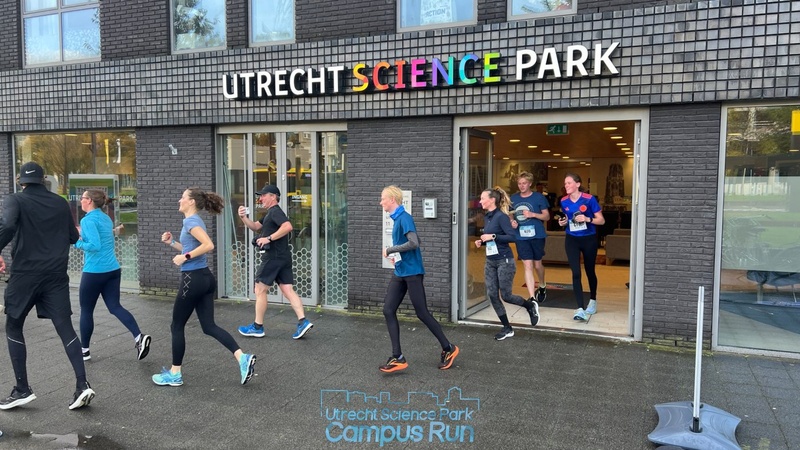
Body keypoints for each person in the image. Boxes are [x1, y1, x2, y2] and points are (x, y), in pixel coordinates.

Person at [0, 162, 96, 410]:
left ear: (21, 181)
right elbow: (73, 238)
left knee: (14, 325)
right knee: (65, 327)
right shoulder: (60, 202)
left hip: (25, 274)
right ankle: (82, 385)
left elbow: (8, 226)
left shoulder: (15, 200)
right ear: (43, 180)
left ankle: (22, 389)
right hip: (55, 275)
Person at [154, 187, 256, 387]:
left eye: (182, 197)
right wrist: (173, 242)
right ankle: (242, 358)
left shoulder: (190, 221)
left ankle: (175, 374)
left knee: (176, 326)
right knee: (209, 326)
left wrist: (185, 257)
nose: (179, 200)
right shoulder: (195, 221)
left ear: (191, 201)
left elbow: (208, 245)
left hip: (193, 279)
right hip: (205, 278)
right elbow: (192, 248)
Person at [378, 186, 459, 373]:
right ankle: (397, 357)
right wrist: (395, 254)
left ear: (391, 199)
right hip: (401, 272)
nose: (380, 202)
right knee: (388, 310)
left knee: (422, 313)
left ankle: (449, 348)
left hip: (413, 273)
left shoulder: (405, 218)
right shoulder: (398, 218)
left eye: (383, 199)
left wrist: (391, 250)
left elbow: (414, 243)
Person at [75, 189, 151, 362]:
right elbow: (102, 238)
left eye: (83, 198)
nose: (80, 200)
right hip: (112, 270)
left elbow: (94, 245)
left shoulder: (87, 220)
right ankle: (139, 337)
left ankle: (85, 351)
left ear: (89, 201)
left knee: (86, 310)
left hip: (94, 271)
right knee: (115, 306)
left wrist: (75, 242)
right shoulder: (105, 217)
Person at [236, 184, 313, 340]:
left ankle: (257, 327)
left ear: (273, 196)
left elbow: (288, 226)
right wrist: (243, 217)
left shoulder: (276, 212)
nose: (261, 198)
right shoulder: (270, 214)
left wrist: (268, 238)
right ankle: (303, 321)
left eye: (263, 195)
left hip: (273, 257)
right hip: (283, 257)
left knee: (260, 289)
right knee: (287, 290)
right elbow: (255, 227)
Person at [474, 186, 539, 341]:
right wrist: (482, 241)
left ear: (492, 200)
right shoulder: (488, 217)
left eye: (483, 198)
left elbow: (512, 237)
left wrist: (493, 236)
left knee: (507, 296)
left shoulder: (502, 217)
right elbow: (491, 238)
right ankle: (507, 327)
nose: (480, 201)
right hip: (491, 261)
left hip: (505, 260)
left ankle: (530, 306)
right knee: (492, 294)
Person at [557, 173, 605, 321]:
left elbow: (601, 220)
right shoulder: (563, 201)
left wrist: (587, 218)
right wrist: (563, 222)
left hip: (589, 239)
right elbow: (567, 217)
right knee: (576, 273)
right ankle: (579, 308)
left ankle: (593, 300)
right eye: (565, 184)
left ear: (578, 184)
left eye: (569, 183)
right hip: (572, 239)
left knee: (590, 271)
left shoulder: (589, 199)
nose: (566, 186)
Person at [510, 172, 550, 305]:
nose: (521, 186)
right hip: (521, 236)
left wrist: (533, 214)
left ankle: (542, 285)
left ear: (530, 184)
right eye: (519, 183)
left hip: (537, 235)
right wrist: (512, 222)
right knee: (527, 265)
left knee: (537, 265)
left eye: (524, 183)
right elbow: (510, 215)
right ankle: (532, 297)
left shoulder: (539, 198)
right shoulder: (513, 198)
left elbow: (547, 216)